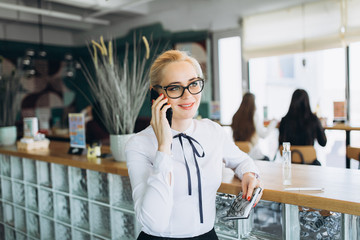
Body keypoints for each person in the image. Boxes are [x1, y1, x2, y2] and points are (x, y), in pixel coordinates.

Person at [125, 50, 262, 239]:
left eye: (193, 84)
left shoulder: (212, 131)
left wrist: (249, 174)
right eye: (174, 88)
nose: (188, 95)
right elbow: (154, 222)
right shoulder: (138, 144)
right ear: (156, 94)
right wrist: (164, 147)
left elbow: (243, 161)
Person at [278, 89, 327, 164]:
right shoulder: (313, 119)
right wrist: (321, 126)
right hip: (310, 165)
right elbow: (323, 143)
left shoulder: (284, 120)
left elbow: (281, 144)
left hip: (290, 163)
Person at [231, 93, 277, 161]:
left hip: (239, 156)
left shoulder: (235, 116)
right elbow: (263, 135)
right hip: (254, 156)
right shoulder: (255, 116)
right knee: (268, 160)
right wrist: (273, 123)